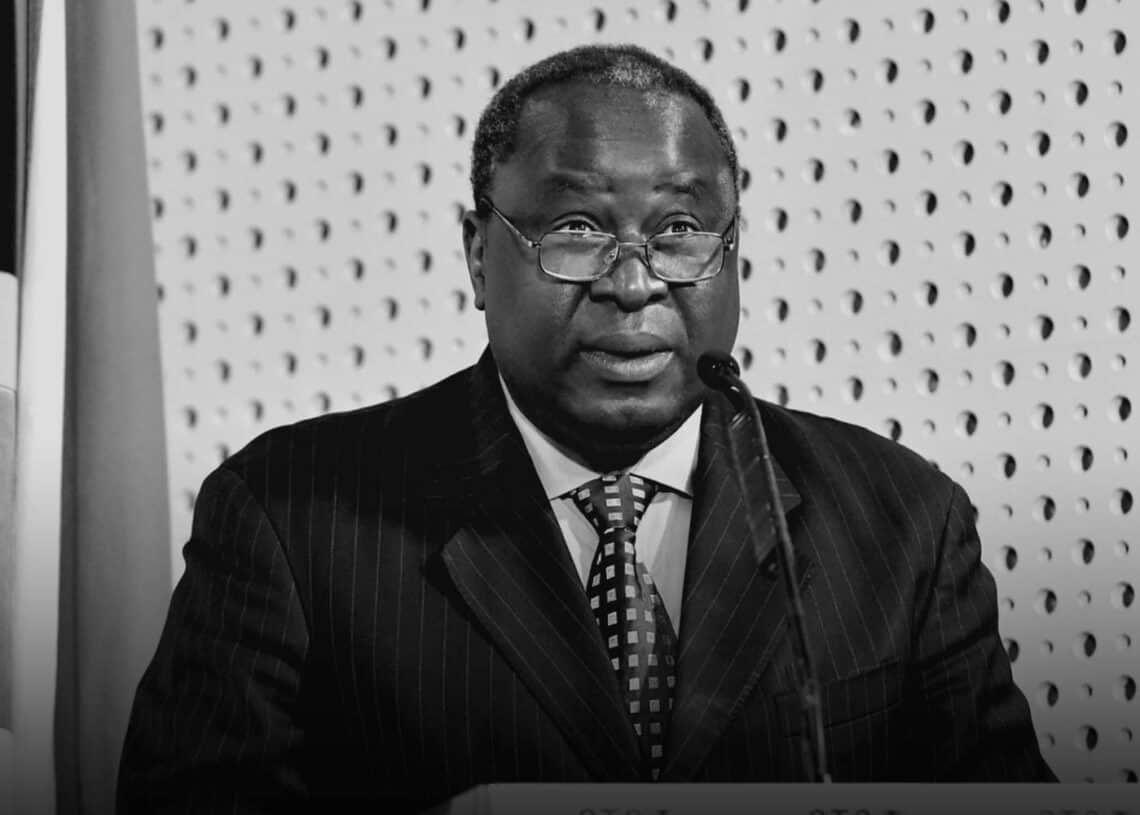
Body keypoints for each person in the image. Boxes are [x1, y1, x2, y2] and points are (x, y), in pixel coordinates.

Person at [118, 43, 1055, 813]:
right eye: (576, 230)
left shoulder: (901, 520)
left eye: (680, 230)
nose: (634, 283)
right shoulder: (291, 517)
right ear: (479, 255)